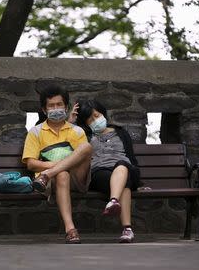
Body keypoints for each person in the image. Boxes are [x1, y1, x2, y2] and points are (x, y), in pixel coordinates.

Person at [22, 85, 92, 244]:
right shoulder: (36, 132)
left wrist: (47, 171)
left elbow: (83, 158)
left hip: (75, 179)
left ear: (66, 107)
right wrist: (59, 166)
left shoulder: (77, 131)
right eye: (51, 106)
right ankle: (70, 229)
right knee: (62, 173)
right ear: (44, 110)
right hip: (50, 183)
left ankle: (47, 175)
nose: (56, 108)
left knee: (86, 147)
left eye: (59, 104)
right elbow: (31, 164)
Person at [74, 100, 140, 243]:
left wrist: (140, 182)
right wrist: (71, 122)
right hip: (100, 174)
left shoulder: (121, 133)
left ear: (103, 113)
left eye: (96, 116)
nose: (95, 120)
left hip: (125, 169)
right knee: (125, 184)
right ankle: (127, 229)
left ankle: (113, 201)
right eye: (90, 119)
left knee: (123, 166)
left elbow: (131, 157)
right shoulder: (85, 136)